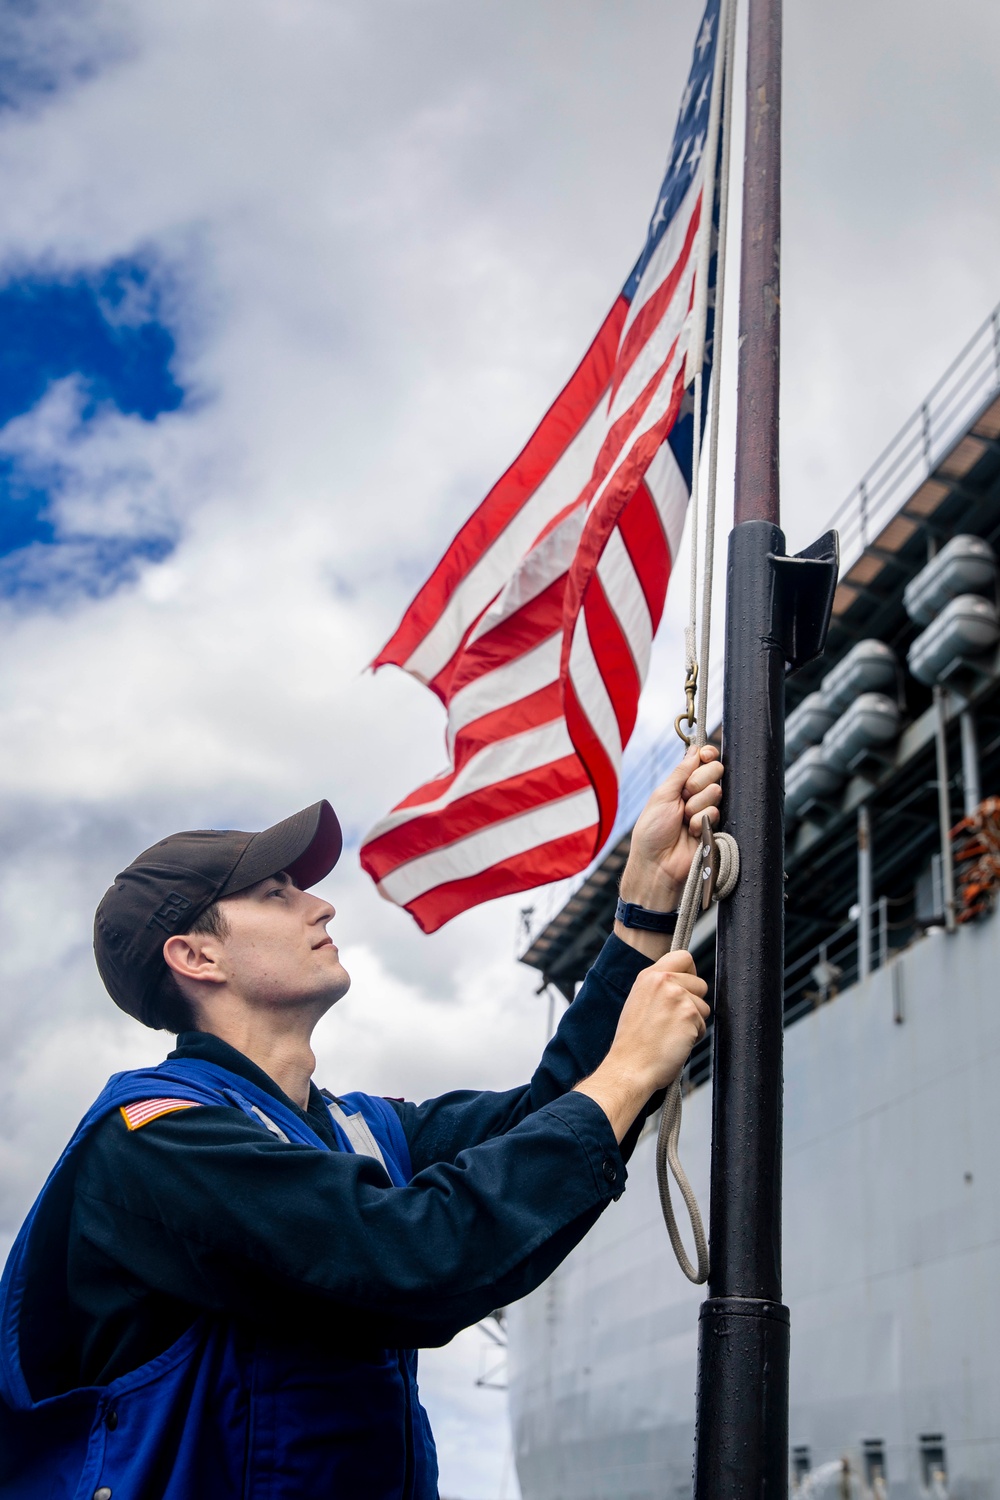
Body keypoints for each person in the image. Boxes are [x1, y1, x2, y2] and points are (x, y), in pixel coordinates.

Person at [0, 746, 723, 1500]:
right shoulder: (153, 1138)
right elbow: (414, 1260)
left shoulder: (359, 1130)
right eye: (277, 894)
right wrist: (630, 1070)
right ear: (195, 955)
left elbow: (544, 1121)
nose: (321, 905)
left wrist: (641, 910)